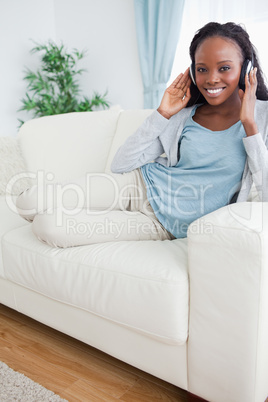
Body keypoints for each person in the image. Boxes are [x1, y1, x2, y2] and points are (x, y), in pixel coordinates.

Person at [17, 22, 268, 248]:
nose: (212, 79)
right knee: (28, 201)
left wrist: (250, 126)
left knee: (48, 226)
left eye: (224, 68)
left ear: (247, 68)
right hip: (138, 187)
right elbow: (121, 164)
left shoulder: (262, 118)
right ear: (193, 72)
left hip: (162, 226)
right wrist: (162, 114)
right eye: (202, 69)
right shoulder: (184, 115)